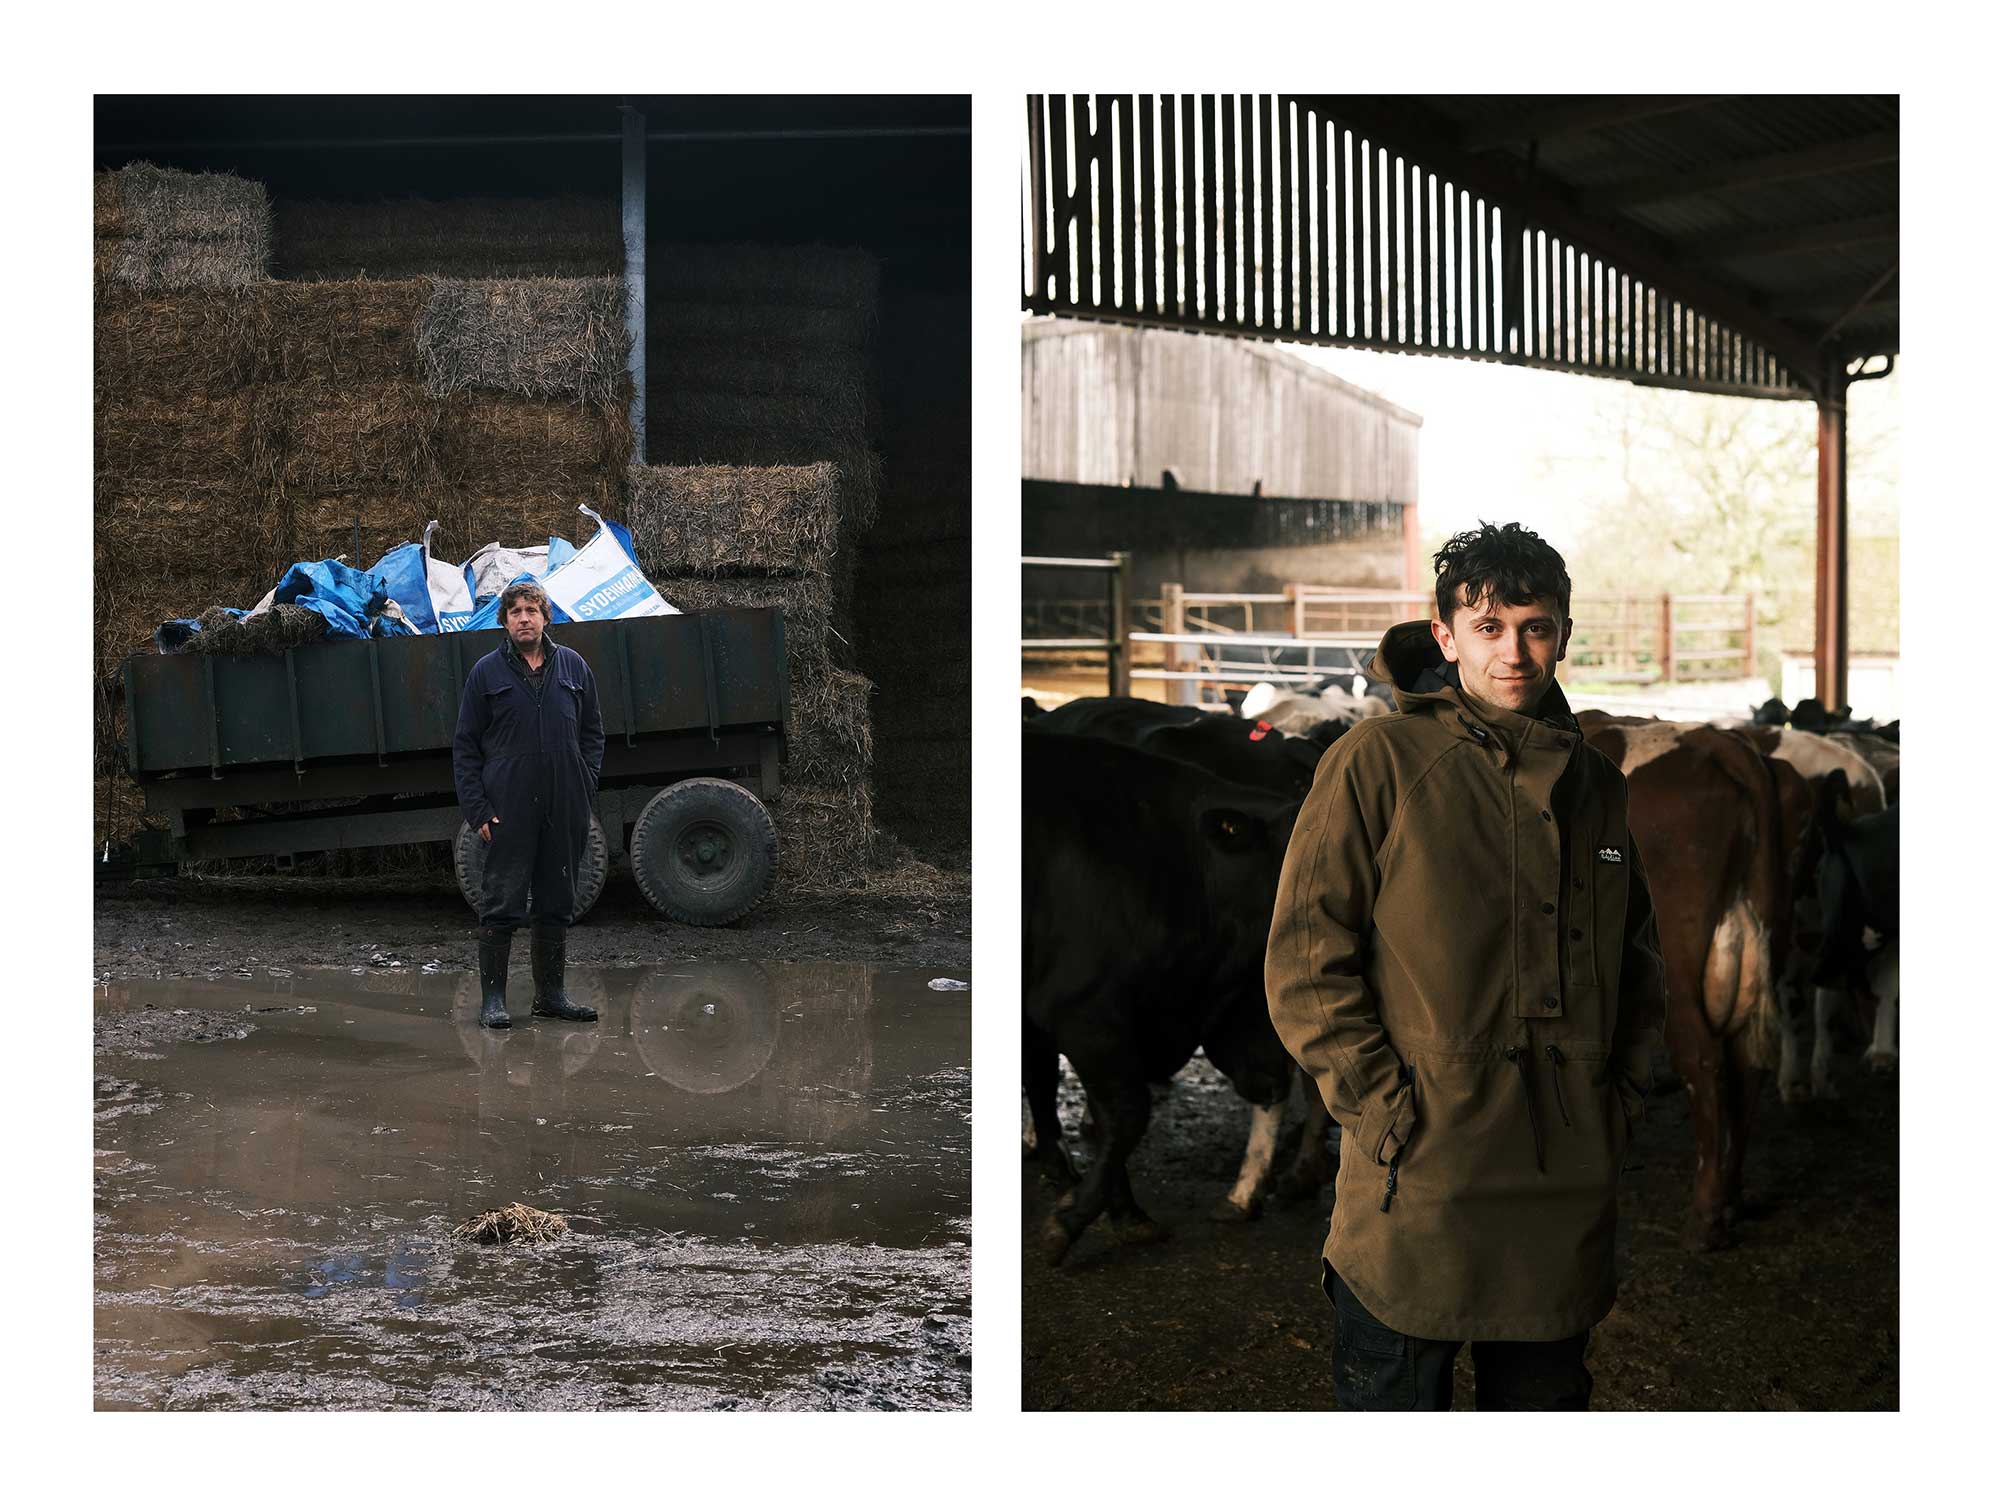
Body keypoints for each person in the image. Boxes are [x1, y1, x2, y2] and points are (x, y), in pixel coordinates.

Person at [1264, 522, 1666, 1411]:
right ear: (1446, 638)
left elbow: (1636, 959)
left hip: (1565, 1181)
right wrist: (1382, 1109)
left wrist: (1622, 1097)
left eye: (1535, 627)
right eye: (1488, 628)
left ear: (1563, 633)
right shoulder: (1379, 761)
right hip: (1423, 1176)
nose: (1514, 651)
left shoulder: (1598, 783)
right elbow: (1304, 960)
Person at [452, 579, 605, 1030]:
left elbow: (593, 734)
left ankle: (551, 996)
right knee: (501, 902)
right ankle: (494, 1000)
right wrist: (478, 810)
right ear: (504, 621)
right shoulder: (486, 673)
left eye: (531, 610)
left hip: (564, 805)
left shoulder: (574, 668)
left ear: (545, 617)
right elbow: (465, 747)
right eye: (515, 611)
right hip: (509, 807)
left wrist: (583, 785)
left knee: (558, 900)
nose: (523, 618)